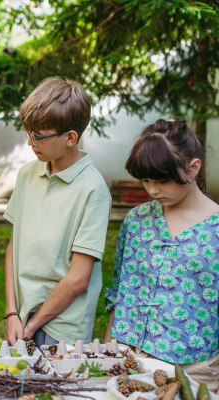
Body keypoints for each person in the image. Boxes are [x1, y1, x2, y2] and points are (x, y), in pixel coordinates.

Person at [105, 118, 219, 392]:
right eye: (145, 180)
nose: (152, 189)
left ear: (193, 169)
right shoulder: (136, 220)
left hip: (194, 369)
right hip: (127, 358)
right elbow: (120, 291)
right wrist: (109, 353)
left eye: (162, 180)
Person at [4, 77, 112, 348]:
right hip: (20, 317)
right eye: (28, 134)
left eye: (38, 136)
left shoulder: (94, 190)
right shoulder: (27, 174)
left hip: (64, 326)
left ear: (70, 137)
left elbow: (78, 278)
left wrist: (31, 325)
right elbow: (12, 248)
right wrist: (11, 313)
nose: (30, 143)